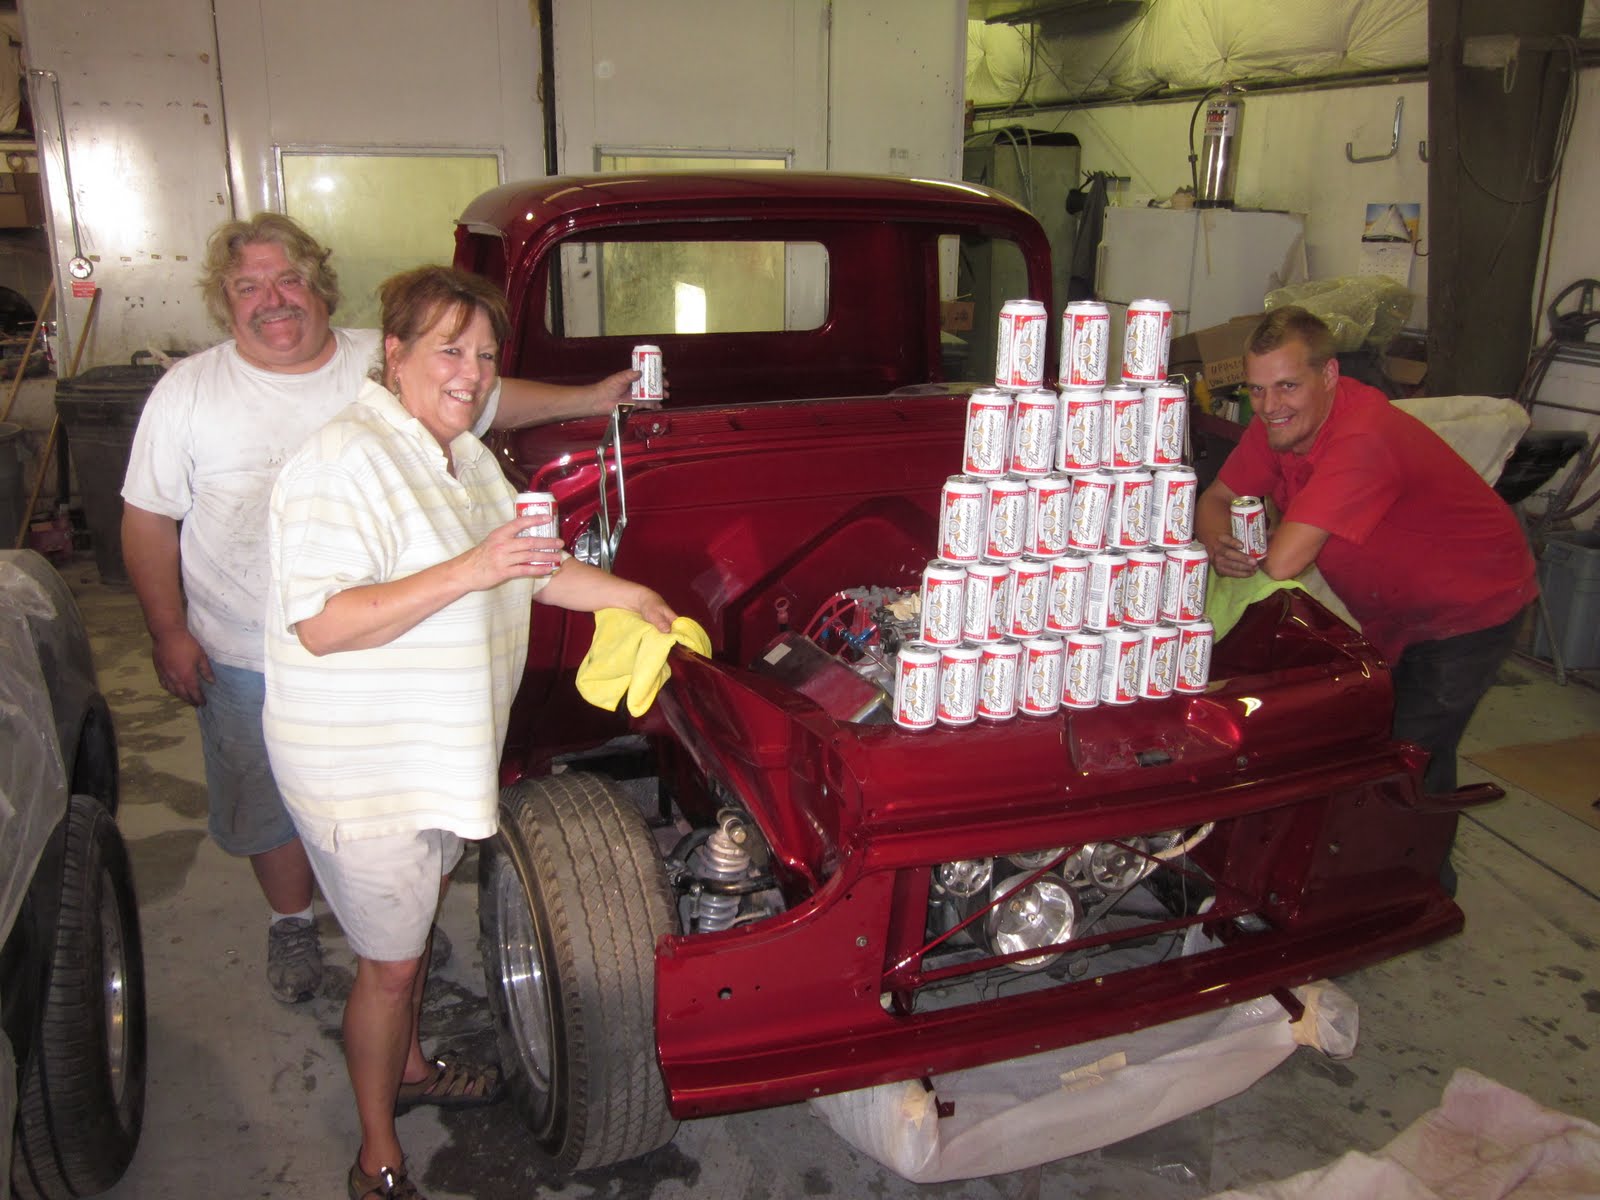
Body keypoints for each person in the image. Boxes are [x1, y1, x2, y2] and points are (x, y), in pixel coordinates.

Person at [119, 213, 652, 1004]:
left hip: (393, 648)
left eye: (289, 279)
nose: (273, 300)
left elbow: (488, 397)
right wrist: (169, 630)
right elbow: (148, 518)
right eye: (248, 287)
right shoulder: (192, 392)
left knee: (385, 834)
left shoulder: (391, 361)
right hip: (246, 641)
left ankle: (385, 936)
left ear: (320, 287)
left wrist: (593, 396)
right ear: (223, 300)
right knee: (270, 804)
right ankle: (296, 923)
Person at [262, 266, 675, 1200]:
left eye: (486, 356)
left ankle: (410, 1068)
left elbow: (527, 566)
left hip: (441, 753)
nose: (474, 373)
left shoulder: (464, 455)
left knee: (405, 941)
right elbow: (324, 623)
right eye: (450, 349)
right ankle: (377, 1153)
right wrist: (467, 569)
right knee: (390, 965)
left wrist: (629, 595)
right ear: (394, 354)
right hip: (366, 771)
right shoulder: (343, 459)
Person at [1195, 307, 1538, 884]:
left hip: (1470, 608)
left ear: (1329, 375)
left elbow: (1283, 560)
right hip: (1395, 609)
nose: (1270, 405)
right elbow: (1214, 500)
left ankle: (1407, 890)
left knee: (1400, 756)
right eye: (1256, 390)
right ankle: (1405, 874)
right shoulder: (1277, 425)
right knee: (1397, 739)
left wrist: (1240, 545)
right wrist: (1216, 540)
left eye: (1287, 386)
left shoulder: (1362, 437)